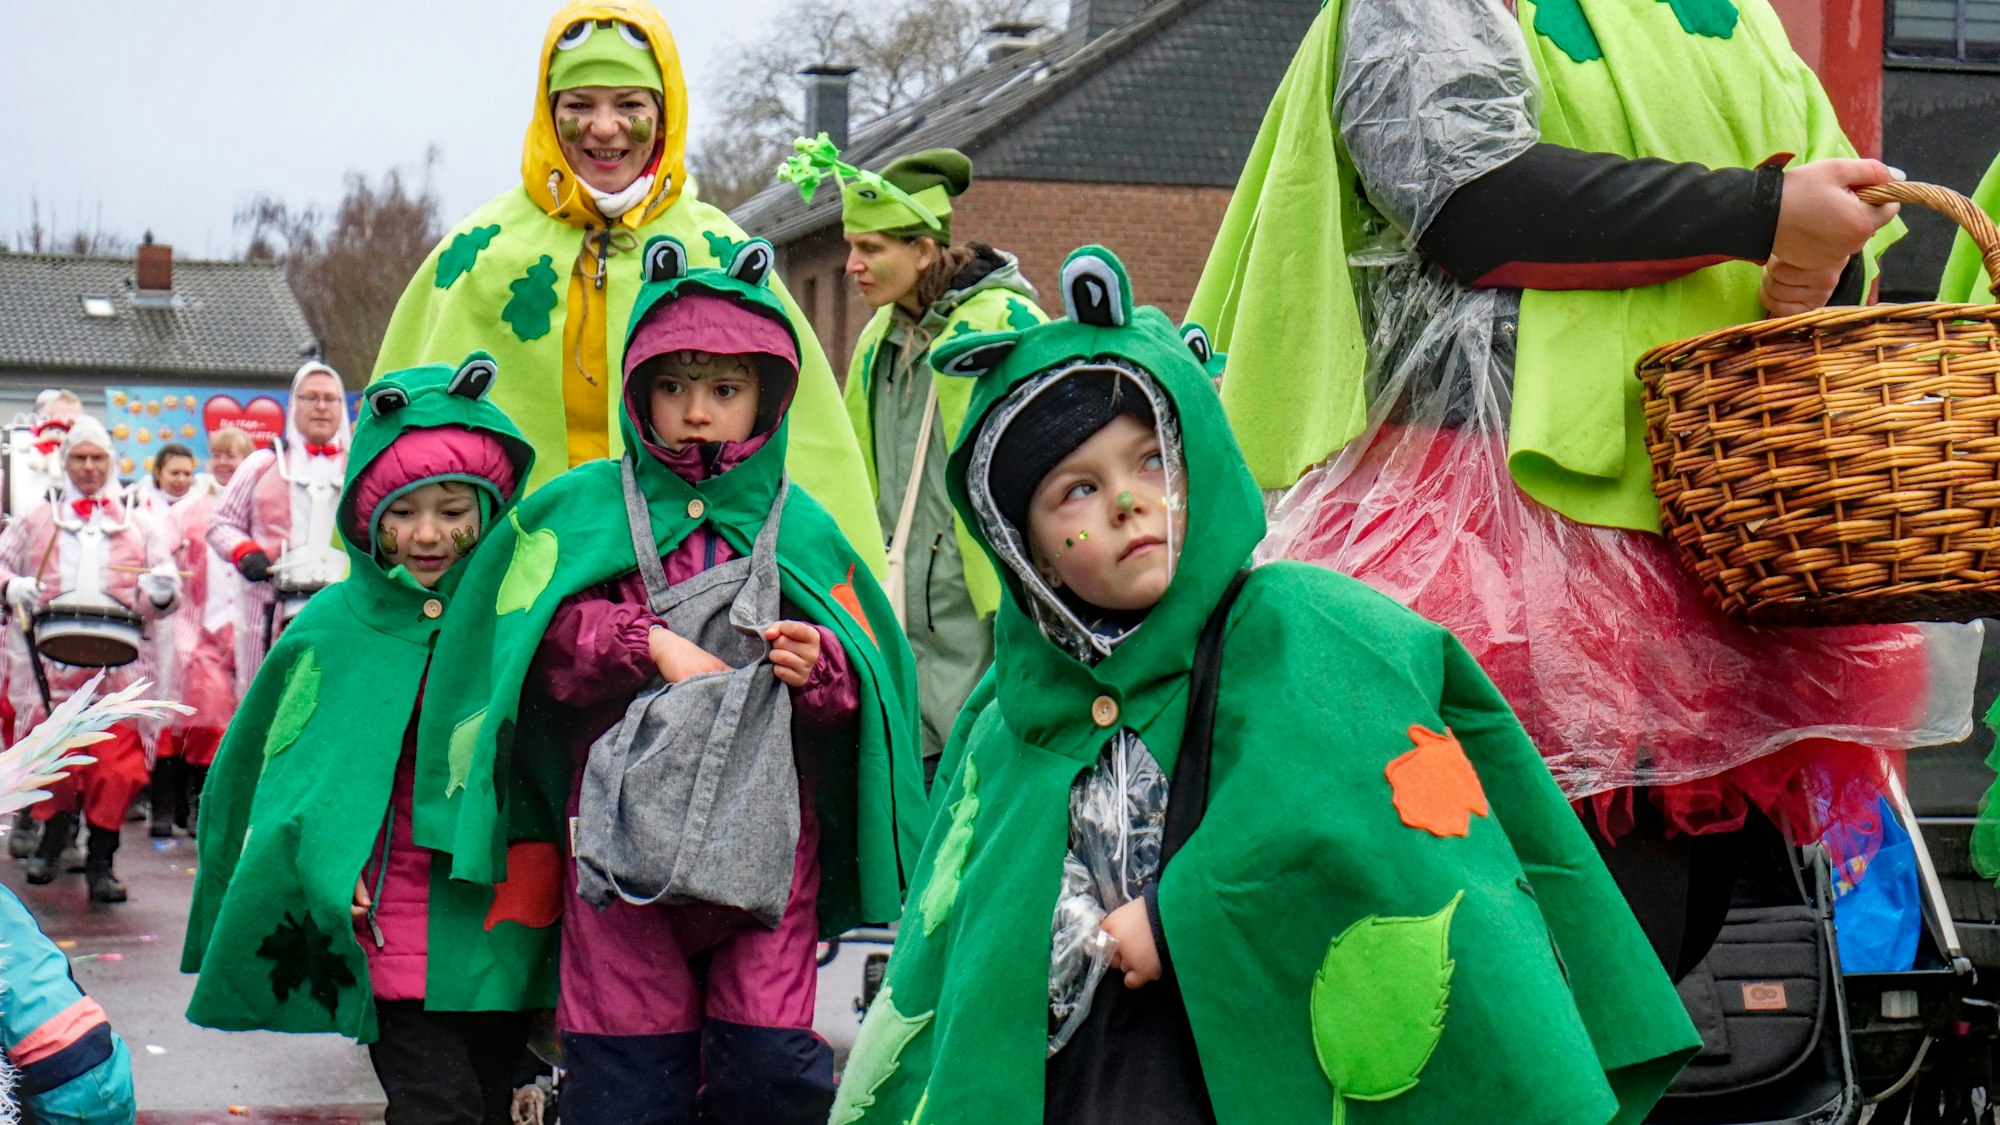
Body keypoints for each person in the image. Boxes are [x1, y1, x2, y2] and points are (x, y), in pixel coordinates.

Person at [1186, 0, 1979, 978]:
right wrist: (1763, 214)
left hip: (1707, 544)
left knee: (1640, 967)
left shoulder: (1731, 16)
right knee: (1517, 977)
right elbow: (1461, 194)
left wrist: (1807, 252)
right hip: (1489, 553)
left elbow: (1832, 211)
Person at [834, 246, 1697, 1125]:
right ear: (1024, 549)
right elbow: (968, 934)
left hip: (1245, 1061)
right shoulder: (1012, 711)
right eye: (1077, 491)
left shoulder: (1295, 625)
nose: (1126, 504)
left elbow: (1344, 803)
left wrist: (1181, 915)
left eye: (1151, 463)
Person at [416, 239, 926, 1125]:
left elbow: (868, 686)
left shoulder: (798, 524)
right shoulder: (586, 511)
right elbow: (527, 646)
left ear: (766, 397)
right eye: (675, 386)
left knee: (768, 1072)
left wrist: (820, 670)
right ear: (638, 389)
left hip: (769, 846)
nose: (697, 412)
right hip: (617, 851)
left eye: (725, 390)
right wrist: (643, 640)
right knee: (625, 1082)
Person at [372, 2, 882, 573]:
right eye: (580, 105)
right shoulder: (477, 257)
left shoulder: (717, 253)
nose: (605, 127)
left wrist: (837, 589)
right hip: (508, 587)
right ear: (549, 113)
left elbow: (802, 436)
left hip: (689, 586)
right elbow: (397, 446)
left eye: (630, 105)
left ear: (664, 118)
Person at [184, 356, 556, 1125]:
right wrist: (328, 851)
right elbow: (281, 763)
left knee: (492, 1102)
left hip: (499, 917)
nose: (428, 534)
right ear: (366, 516)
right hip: (390, 909)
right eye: (403, 511)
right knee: (436, 1107)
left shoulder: (524, 619)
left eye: (454, 509)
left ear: (490, 510)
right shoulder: (332, 625)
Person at [780, 140, 1047, 777]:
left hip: (980, 634)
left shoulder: (1007, 323)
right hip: (900, 623)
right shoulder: (878, 340)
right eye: (850, 247)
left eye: (870, 249)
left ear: (923, 250)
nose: (850, 266)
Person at [0, 419, 181, 902]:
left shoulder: (140, 524)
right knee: (57, 761)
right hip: (51, 672)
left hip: (118, 672)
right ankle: (54, 840)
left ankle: (102, 859)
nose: (88, 467)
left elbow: (163, 596)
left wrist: (160, 592)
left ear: (111, 463)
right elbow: (2, 564)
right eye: (79, 458)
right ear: (65, 463)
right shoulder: (37, 518)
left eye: (96, 458)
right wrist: (10, 585)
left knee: (115, 770)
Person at [207, 361, 351, 692]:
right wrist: (245, 552)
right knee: (266, 697)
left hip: (342, 604)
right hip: (269, 607)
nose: (320, 407)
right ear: (294, 404)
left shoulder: (360, 465)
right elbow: (221, 523)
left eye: (330, 399)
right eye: (310, 397)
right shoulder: (263, 463)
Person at [150, 428, 256, 838]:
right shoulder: (189, 511)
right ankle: (195, 799)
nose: (226, 463)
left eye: (234, 455)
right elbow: (160, 556)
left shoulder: (259, 504)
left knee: (241, 717)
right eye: (219, 455)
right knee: (207, 713)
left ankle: (220, 803)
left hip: (246, 627)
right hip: (200, 629)